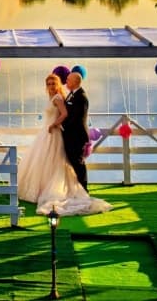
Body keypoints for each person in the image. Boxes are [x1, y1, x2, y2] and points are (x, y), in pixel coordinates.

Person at [17, 73, 111, 216]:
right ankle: (42, 188)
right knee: (48, 161)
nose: (51, 86)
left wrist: (55, 124)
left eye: (53, 83)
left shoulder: (73, 97)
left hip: (70, 134)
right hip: (54, 133)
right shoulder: (67, 96)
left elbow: (68, 115)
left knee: (75, 163)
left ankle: (82, 190)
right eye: (48, 84)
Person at [62, 70, 90, 190]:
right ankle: (75, 188)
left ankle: (83, 189)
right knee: (73, 161)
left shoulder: (81, 97)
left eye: (68, 80)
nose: (66, 81)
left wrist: (62, 126)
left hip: (76, 136)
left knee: (78, 163)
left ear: (75, 82)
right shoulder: (72, 94)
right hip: (70, 135)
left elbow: (77, 118)